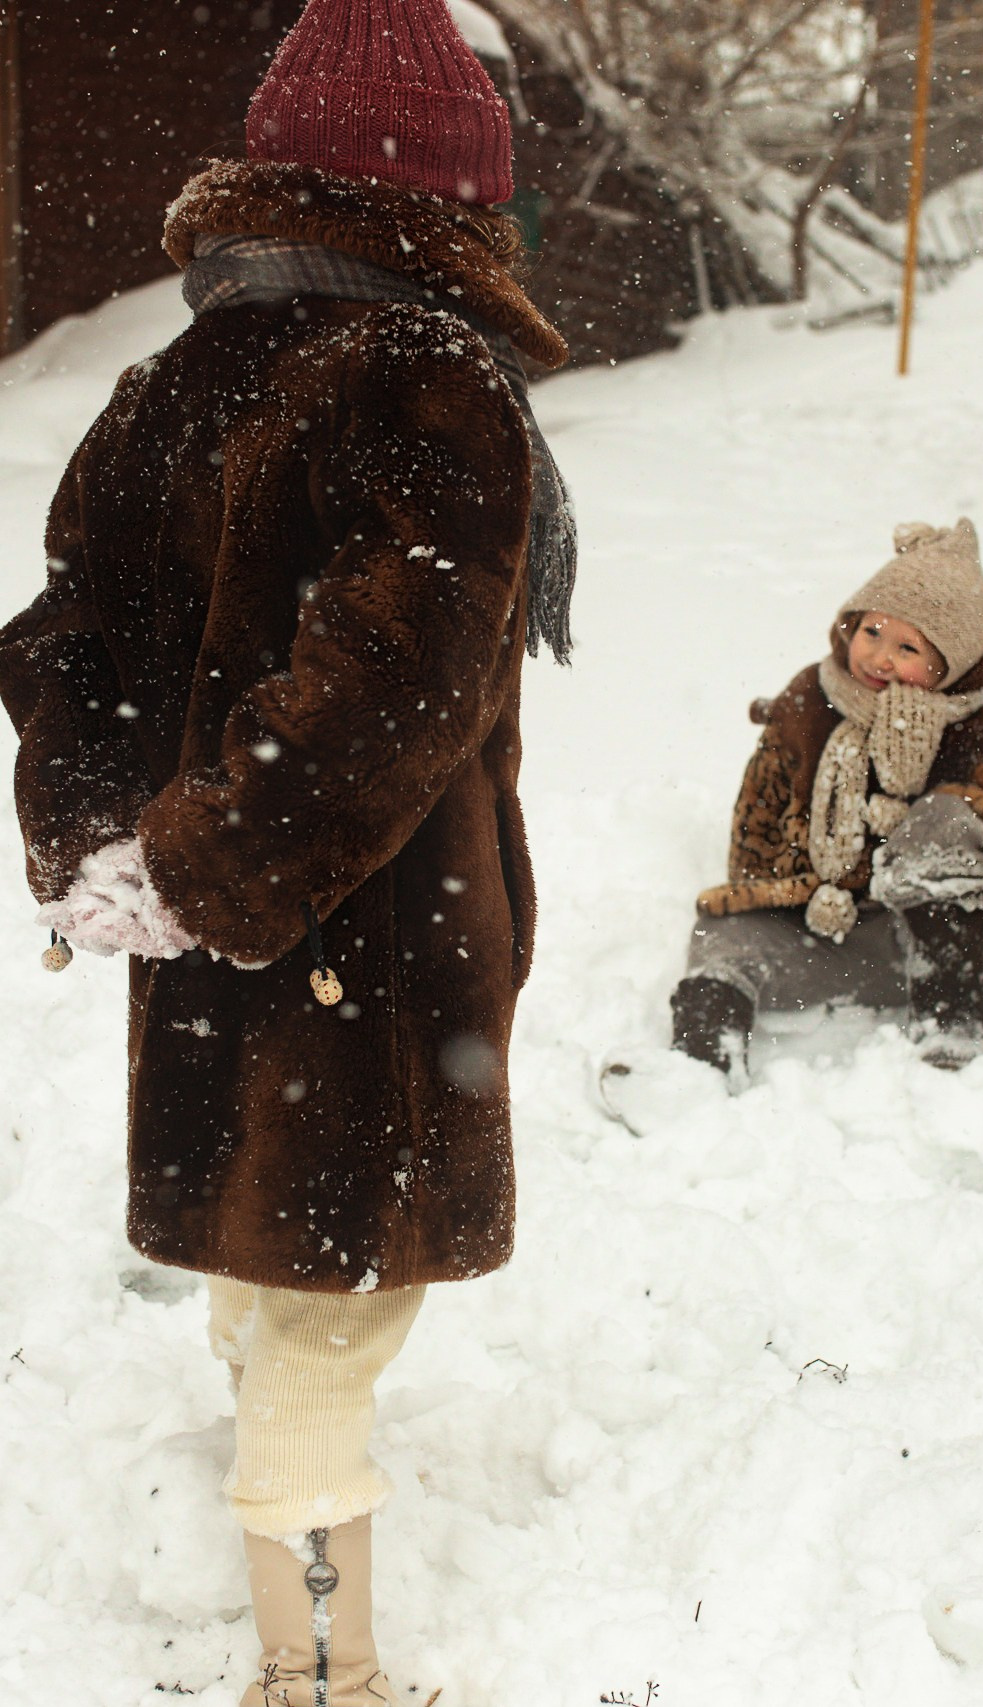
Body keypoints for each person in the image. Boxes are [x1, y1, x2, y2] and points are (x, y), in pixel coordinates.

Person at [0, 0, 574, 1701]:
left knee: (273, 1237)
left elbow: (68, 642)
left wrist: (115, 842)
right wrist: (194, 867)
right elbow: (386, 688)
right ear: (441, 199)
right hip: (366, 947)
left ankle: (263, 1441)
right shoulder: (432, 378)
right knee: (332, 1284)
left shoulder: (179, 371)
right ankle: (318, 1666)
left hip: (224, 940)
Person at [671, 518, 983, 1073]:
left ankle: (954, 1028)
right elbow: (758, 813)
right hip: (837, 939)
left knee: (945, 816)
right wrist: (769, 895)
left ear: (949, 665)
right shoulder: (808, 708)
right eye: (871, 632)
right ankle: (699, 1064)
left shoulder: (980, 736)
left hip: (957, 954)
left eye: (908, 648)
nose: (880, 657)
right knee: (724, 932)